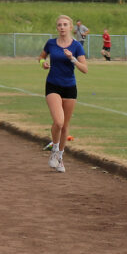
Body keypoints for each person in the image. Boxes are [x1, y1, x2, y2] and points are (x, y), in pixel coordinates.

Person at [39, 15, 88, 173]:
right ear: (57, 28)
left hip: (69, 87)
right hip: (53, 85)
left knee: (65, 125)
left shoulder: (76, 46)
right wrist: (43, 63)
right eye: (59, 25)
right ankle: (54, 150)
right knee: (58, 122)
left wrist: (72, 58)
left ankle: (60, 156)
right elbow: (41, 57)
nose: (62, 27)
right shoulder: (51, 43)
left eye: (65, 24)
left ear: (70, 27)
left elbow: (85, 69)